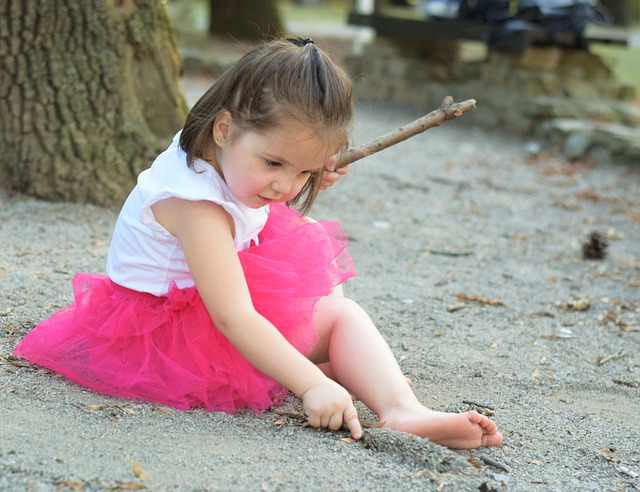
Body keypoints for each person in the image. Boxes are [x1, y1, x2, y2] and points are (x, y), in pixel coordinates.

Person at [14, 37, 502, 449]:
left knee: (312, 270)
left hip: (188, 305)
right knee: (340, 316)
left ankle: (362, 375)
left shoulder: (210, 146)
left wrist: (298, 165)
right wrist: (311, 385)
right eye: (274, 164)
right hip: (172, 338)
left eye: (304, 171)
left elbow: (265, 181)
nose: (285, 187)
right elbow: (234, 316)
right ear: (225, 128)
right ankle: (401, 409)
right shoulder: (194, 206)